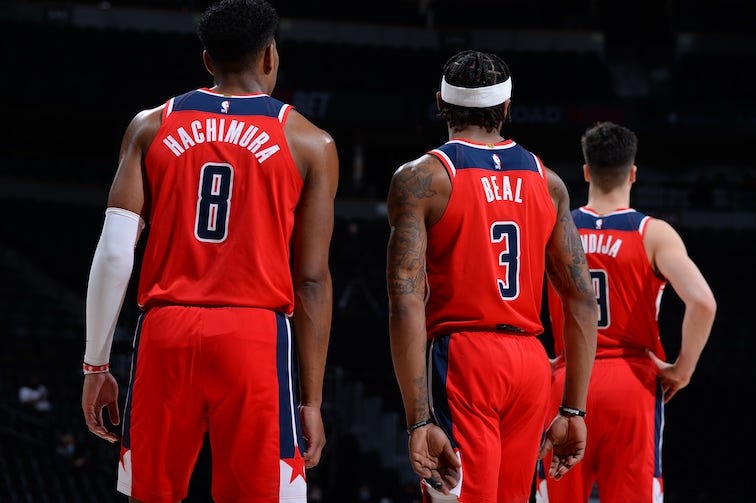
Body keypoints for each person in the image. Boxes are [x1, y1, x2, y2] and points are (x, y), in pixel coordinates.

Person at [80, 0, 339, 501]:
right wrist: (310, 400)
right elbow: (311, 280)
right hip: (254, 337)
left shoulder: (150, 125)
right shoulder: (310, 142)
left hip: (165, 331)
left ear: (206, 60)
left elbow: (114, 255)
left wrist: (96, 367)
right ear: (269, 56)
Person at [385, 49, 598, 503]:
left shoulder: (423, 178)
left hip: (466, 358)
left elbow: (405, 298)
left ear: (440, 105)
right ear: (506, 109)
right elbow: (582, 300)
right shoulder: (549, 181)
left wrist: (419, 420)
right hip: (531, 362)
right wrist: (574, 409)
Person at [535, 121, 717, 503]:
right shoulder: (653, 233)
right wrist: (681, 370)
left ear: (585, 172)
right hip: (631, 382)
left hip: (568, 383)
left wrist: (539, 359)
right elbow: (703, 302)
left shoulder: (554, 228)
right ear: (633, 173)